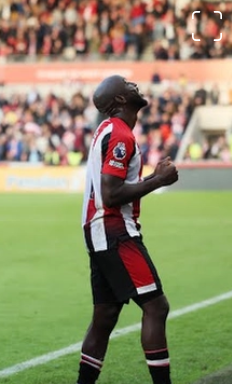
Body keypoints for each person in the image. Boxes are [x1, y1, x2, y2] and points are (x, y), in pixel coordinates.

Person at [77, 75, 179, 384]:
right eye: (127, 84)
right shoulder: (120, 134)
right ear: (120, 100)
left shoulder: (107, 131)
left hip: (99, 231)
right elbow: (111, 194)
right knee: (156, 307)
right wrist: (157, 181)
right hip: (114, 231)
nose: (134, 85)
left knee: (105, 316)